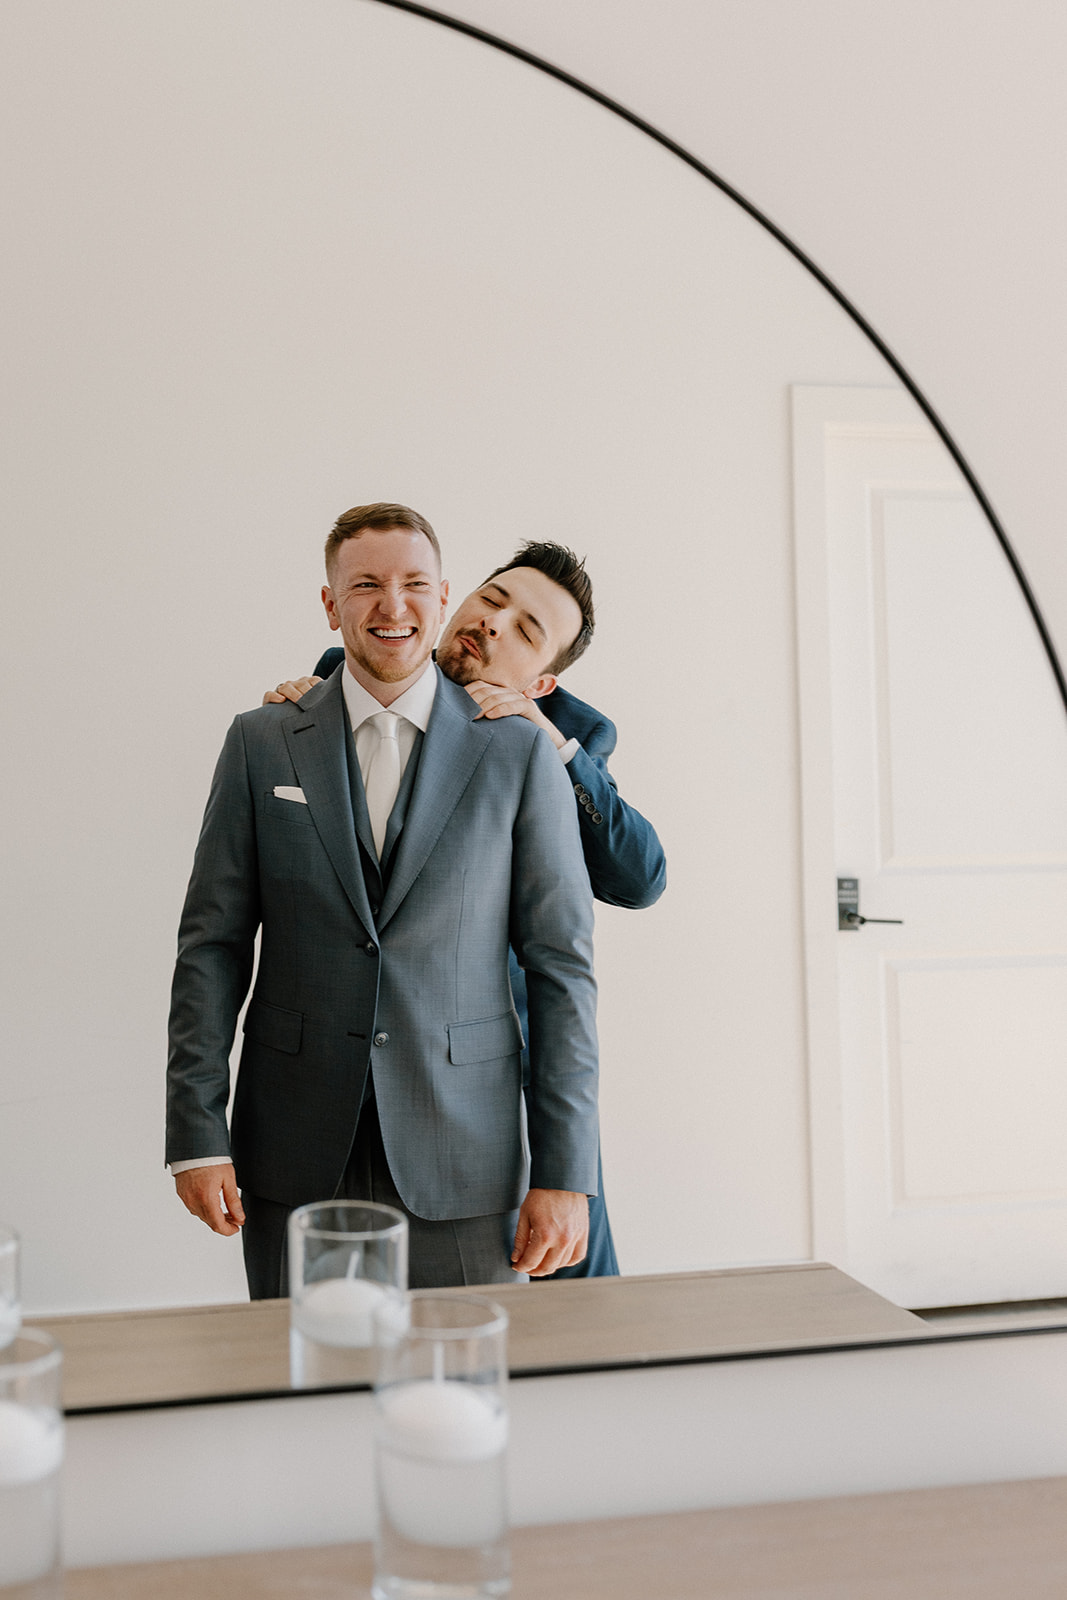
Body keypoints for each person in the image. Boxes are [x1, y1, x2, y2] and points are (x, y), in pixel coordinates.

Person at [167, 504, 599, 1296]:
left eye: (413, 586)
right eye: (364, 585)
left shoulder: (519, 752)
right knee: (301, 1387)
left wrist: (566, 1171)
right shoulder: (262, 739)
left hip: (467, 1151)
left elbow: (560, 966)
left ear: (440, 600)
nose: (391, 607)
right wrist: (196, 1135)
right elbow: (212, 947)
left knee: (467, 1394)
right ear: (330, 606)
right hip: (290, 1149)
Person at [266, 540, 667, 1278]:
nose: (493, 625)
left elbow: (638, 878)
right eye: (492, 601)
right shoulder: (332, 688)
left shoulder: (561, 737)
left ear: (543, 678)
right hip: (352, 1071)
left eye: (525, 630)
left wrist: (546, 741)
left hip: (508, 1060)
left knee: (572, 1287)